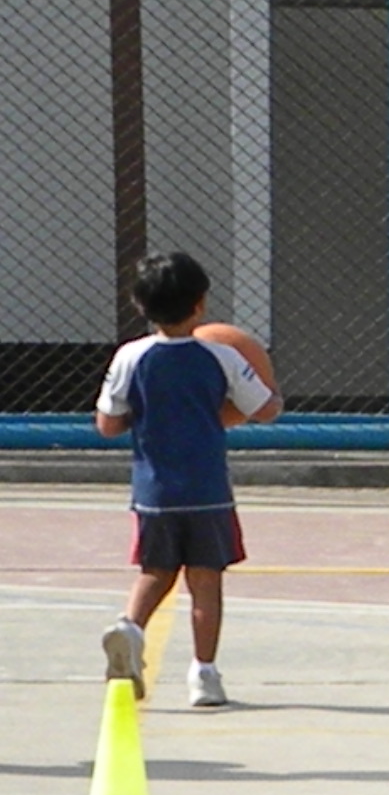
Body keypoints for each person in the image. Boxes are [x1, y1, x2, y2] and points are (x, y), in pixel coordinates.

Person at [95, 251, 284, 708]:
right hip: (207, 492)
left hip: (153, 491)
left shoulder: (130, 357)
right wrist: (268, 390)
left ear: (140, 306)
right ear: (200, 305)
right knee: (206, 581)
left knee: (155, 570)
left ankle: (129, 628)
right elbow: (265, 409)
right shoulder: (221, 355)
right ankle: (205, 674)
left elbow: (108, 424)